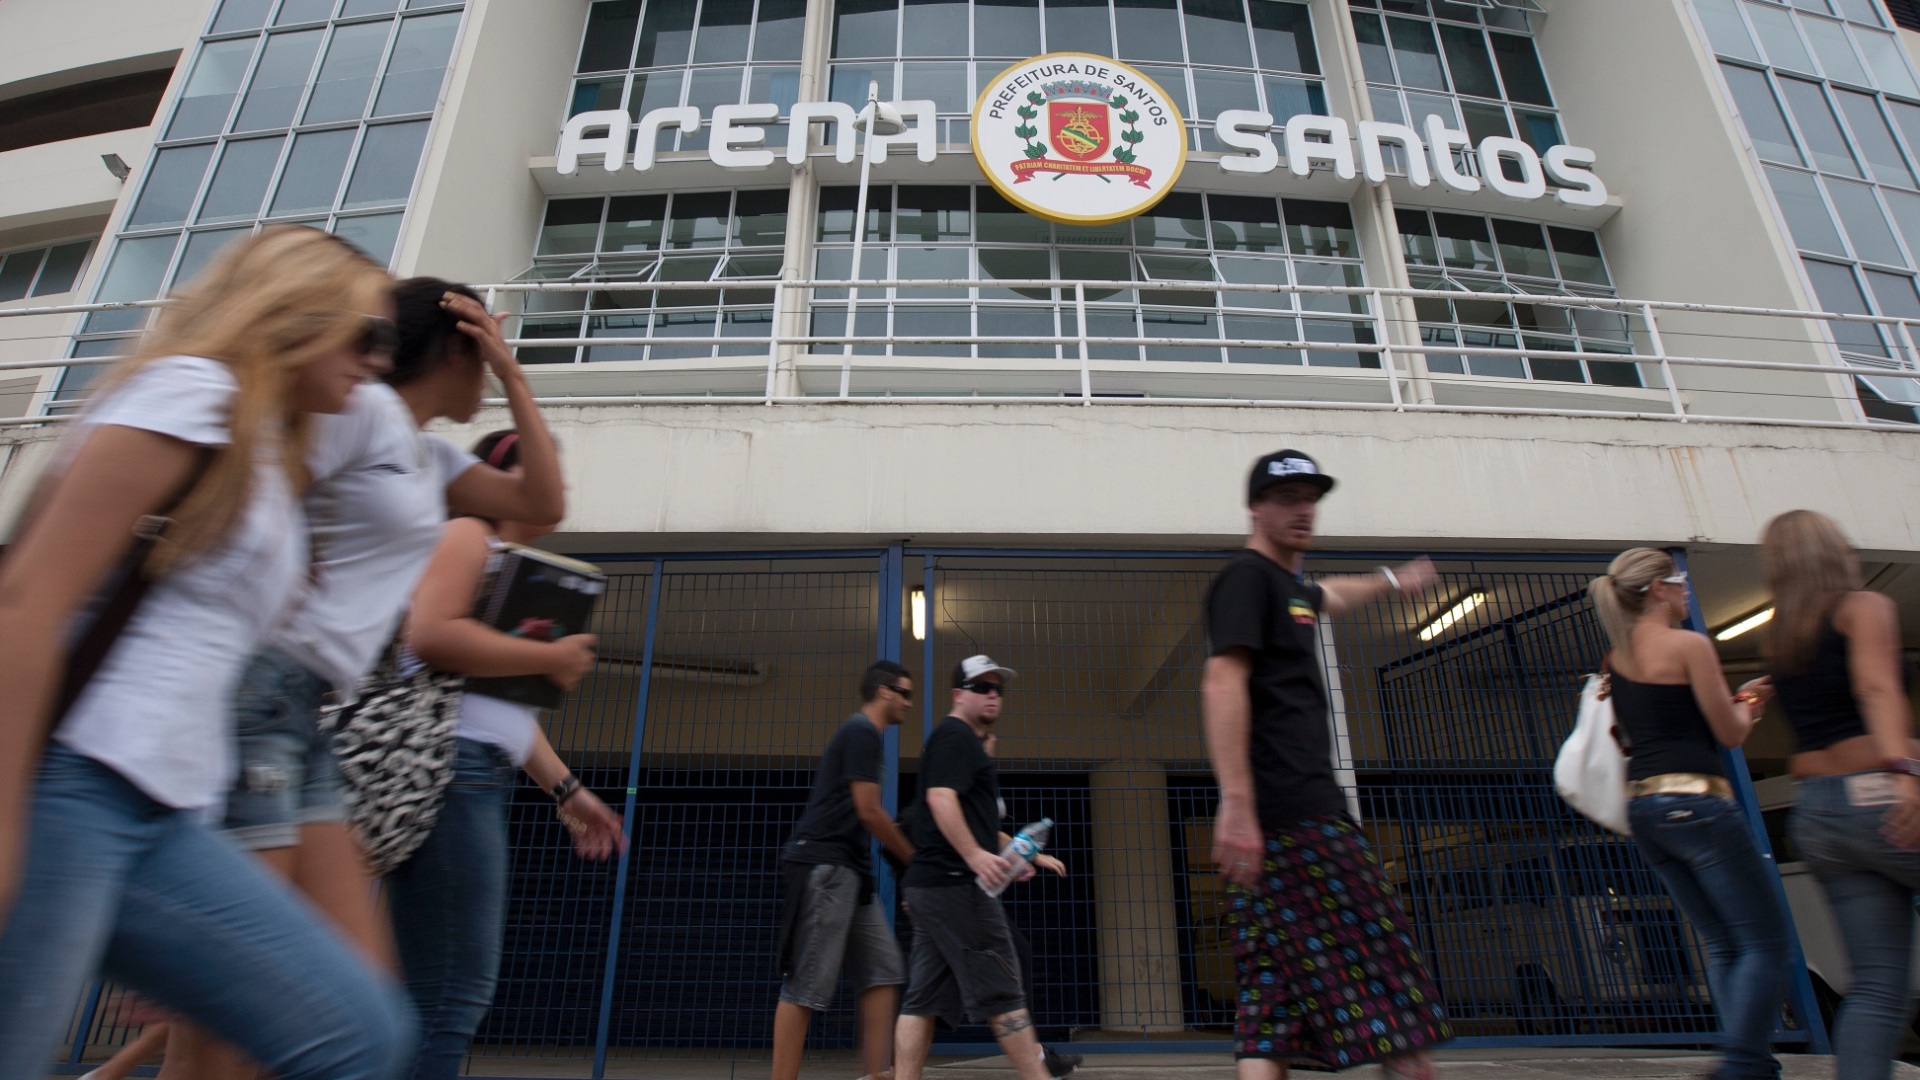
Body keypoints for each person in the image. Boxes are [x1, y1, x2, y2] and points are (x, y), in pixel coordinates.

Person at [0, 226, 412, 1078]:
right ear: (298, 312)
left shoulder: (269, 450)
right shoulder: (192, 393)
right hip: (70, 785)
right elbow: (26, 603)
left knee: (358, 1031)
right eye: (368, 335)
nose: (378, 362)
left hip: (164, 812)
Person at [161, 277, 568, 1079]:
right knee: (258, 1008)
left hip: (307, 718)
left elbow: (543, 501)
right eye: (485, 354)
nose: (488, 375)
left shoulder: (429, 456)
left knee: (347, 1008)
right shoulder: (362, 415)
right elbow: (258, 501)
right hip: (266, 697)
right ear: (459, 345)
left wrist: (516, 377)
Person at [387, 428, 627, 1080]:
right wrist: (550, 656)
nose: (560, 485)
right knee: (452, 989)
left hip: (472, 769)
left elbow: (501, 714)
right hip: (453, 769)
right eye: (545, 467)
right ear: (499, 475)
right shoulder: (467, 534)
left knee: (432, 984)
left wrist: (567, 791)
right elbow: (431, 635)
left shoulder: (502, 559)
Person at [1202, 449, 1449, 1080]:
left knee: (1271, 1006)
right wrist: (1236, 801)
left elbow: (1329, 594)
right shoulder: (1247, 578)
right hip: (1300, 817)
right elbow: (1222, 680)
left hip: (1273, 827)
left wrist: (1391, 582)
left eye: (1310, 497)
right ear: (1255, 508)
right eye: (1286, 499)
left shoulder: (1291, 590)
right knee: (1396, 1001)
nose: (1303, 510)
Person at [1589, 546, 1787, 1080]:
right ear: (1657, 589)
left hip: (1646, 810)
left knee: (1723, 943)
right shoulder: (1688, 646)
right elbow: (1729, 734)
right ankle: (1744, 1063)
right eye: (1679, 580)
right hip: (1698, 803)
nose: (1686, 589)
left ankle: (1751, 1061)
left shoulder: (1617, 657)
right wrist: (1748, 702)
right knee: (1767, 944)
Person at [1760, 511, 1920, 1080]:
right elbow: (1876, 687)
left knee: (1877, 988)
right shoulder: (1863, 607)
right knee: (1881, 987)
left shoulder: (1780, 635)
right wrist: (1907, 771)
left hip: (1817, 816)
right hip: (1875, 797)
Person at [893, 655, 1049, 1080]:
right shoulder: (955, 737)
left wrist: (1009, 858)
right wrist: (976, 857)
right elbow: (940, 800)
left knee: (922, 999)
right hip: (958, 885)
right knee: (1003, 990)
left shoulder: (961, 742)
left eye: (998, 687)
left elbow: (966, 817)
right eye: (981, 687)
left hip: (932, 887)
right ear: (958, 695)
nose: (993, 694)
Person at [772, 660, 918, 1080]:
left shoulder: (870, 737)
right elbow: (870, 812)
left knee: (885, 970)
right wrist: (911, 856)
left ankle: (876, 1075)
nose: (909, 702)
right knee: (805, 984)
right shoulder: (860, 732)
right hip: (826, 866)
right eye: (905, 693)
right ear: (884, 691)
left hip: (851, 874)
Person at [982, 731, 1078, 1080]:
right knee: (1011, 962)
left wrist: (1032, 857)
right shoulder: (958, 772)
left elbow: (993, 832)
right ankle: (1036, 1061)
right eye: (985, 736)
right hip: (956, 893)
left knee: (929, 995)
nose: (992, 738)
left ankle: (1037, 1057)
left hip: (965, 893)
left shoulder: (980, 776)